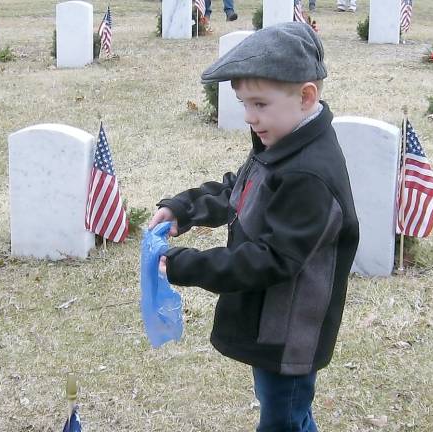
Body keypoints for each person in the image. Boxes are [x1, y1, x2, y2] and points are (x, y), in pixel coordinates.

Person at [149, 22, 359, 431]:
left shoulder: (309, 174)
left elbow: (271, 259)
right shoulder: (281, 144)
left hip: (289, 330)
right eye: (244, 104)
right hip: (268, 321)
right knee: (289, 413)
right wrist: (184, 209)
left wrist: (186, 265)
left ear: (306, 96)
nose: (249, 117)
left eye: (259, 105)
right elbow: (239, 191)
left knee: (283, 417)